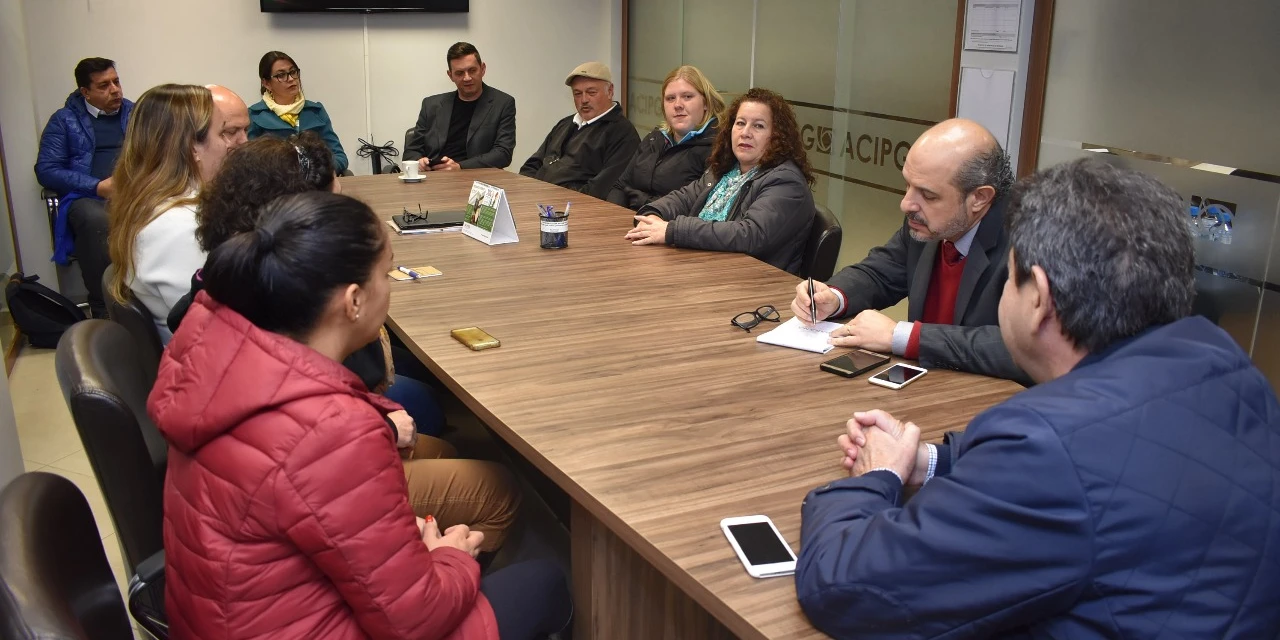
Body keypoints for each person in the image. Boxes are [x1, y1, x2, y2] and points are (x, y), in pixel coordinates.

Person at [794, 157, 1280, 639]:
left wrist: (877, 477)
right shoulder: (1225, 365)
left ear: (1039, 298)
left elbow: (844, 587)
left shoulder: (1047, 447)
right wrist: (930, 461)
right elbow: (1110, 461)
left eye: (1009, 279)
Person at [151, 191, 572, 639]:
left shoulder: (219, 348)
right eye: (386, 273)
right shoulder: (331, 430)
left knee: (444, 458)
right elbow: (416, 617)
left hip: (231, 616)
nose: (390, 286)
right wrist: (450, 558)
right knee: (545, 584)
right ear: (353, 301)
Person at [168, 132, 450, 438]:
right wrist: (388, 429)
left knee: (422, 372)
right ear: (305, 214)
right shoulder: (284, 291)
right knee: (427, 403)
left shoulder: (233, 265)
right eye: (334, 202)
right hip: (323, 431)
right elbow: (330, 404)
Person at [790, 118, 1027, 384]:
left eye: (928, 195)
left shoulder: (1027, 242)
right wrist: (832, 297)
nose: (906, 204)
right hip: (925, 384)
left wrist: (903, 336)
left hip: (990, 397)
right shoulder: (928, 222)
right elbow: (880, 273)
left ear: (980, 198)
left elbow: (1023, 347)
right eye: (908, 185)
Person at [105, 83, 248, 343]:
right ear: (193, 147)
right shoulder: (179, 228)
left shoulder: (154, 205)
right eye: (224, 133)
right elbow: (220, 333)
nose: (235, 144)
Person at [625, 87, 815, 275]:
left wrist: (673, 230)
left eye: (758, 126)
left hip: (751, 282)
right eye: (740, 123)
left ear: (778, 136)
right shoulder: (727, 169)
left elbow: (749, 235)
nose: (745, 133)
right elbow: (683, 198)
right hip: (706, 269)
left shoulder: (786, 181)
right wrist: (653, 216)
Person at [34, 57, 133, 318]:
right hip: (88, 196)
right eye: (104, 86)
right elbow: (46, 170)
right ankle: (103, 304)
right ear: (85, 92)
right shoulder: (64, 120)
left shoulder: (136, 113)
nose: (115, 90)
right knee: (97, 220)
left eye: (116, 81)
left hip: (135, 192)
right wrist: (97, 186)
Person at [607, 65, 724, 211]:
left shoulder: (718, 147)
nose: (677, 105)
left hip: (667, 223)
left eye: (687, 97)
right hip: (627, 219)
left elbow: (701, 209)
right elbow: (620, 186)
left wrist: (644, 202)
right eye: (670, 98)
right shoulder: (654, 139)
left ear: (706, 103)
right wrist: (613, 215)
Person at [519, 61, 639, 199]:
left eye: (591, 92)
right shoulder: (565, 124)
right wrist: (527, 191)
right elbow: (531, 165)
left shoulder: (622, 134)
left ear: (610, 91)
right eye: (577, 94)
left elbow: (601, 189)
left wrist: (552, 198)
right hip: (539, 200)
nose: (584, 100)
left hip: (573, 206)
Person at [402, 42, 517, 172]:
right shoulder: (431, 105)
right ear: (450, 75)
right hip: (434, 176)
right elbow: (412, 150)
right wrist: (419, 161)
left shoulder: (502, 103)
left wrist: (460, 167)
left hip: (476, 177)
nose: (467, 78)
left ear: (483, 69)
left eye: (472, 70)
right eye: (459, 73)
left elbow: (503, 154)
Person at [248, 51, 349, 174]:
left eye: (293, 72)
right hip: (277, 182)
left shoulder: (316, 111)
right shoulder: (255, 115)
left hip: (316, 180)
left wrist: (320, 171)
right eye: (281, 75)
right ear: (267, 83)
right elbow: (249, 164)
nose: (291, 79)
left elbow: (339, 156)